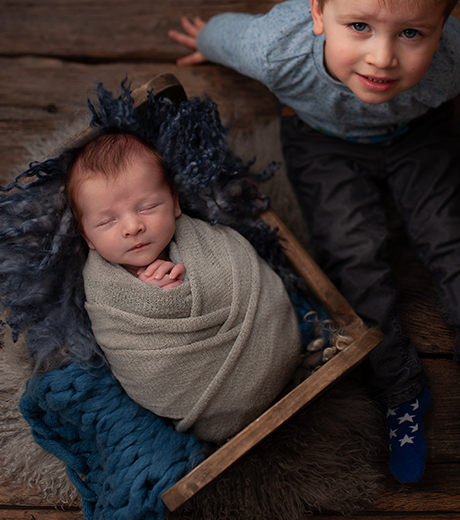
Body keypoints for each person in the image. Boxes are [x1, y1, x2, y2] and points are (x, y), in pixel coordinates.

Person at [168, 0, 460, 480]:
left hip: (418, 134)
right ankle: (400, 390)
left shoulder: (454, 62)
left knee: (451, 241)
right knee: (352, 257)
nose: (383, 58)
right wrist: (205, 40)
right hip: (323, 142)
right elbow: (230, 34)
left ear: (441, 27)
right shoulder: (275, 48)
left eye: (412, 34)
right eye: (359, 26)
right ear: (317, 12)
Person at [67, 131, 301, 443]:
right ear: (87, 239)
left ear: (175, 203)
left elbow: (242, 273)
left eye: (148, 206)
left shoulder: (206, 240)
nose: (132, 226)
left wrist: (188, 284)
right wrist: (158, 300)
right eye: (107, 222)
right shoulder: (103, 289)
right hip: (189, 394)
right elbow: (130, 352)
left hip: (270, 347)